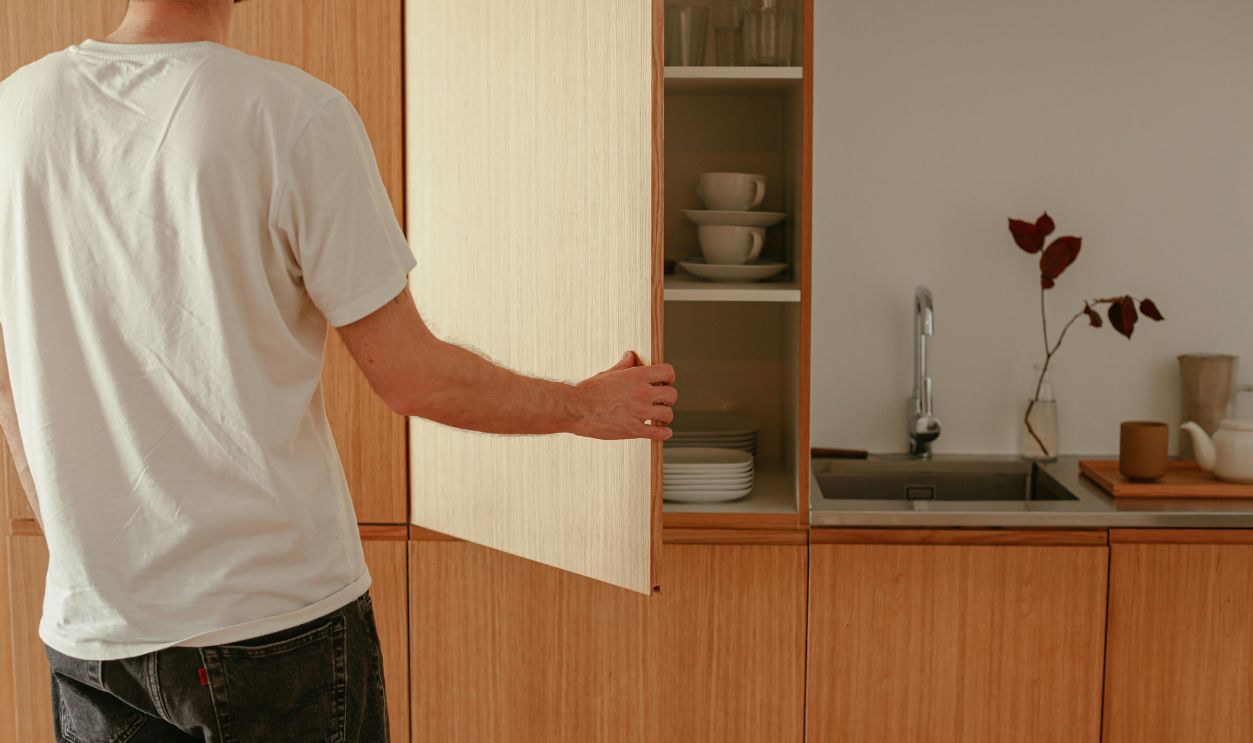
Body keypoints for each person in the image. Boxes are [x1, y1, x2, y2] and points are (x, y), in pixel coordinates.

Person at [0, 0, 676, 739]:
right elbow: (410, 374)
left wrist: (74, 530)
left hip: (95, 624)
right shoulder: (290, 116)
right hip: (270, 623)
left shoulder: (15, 112)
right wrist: (584, 406)